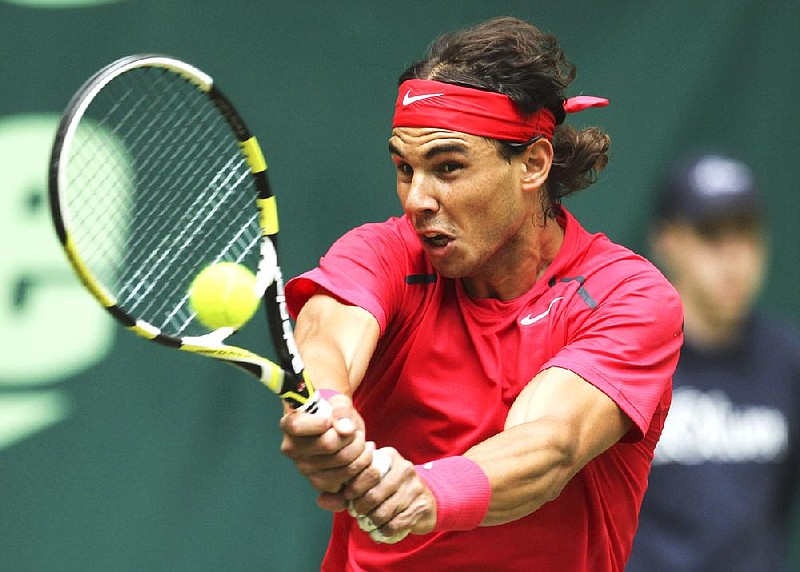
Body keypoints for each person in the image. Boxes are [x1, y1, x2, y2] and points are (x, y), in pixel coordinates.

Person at [278, 17, 684, 571]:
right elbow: (328, 334)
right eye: (404, 167)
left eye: (448, 167)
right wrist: (327, 406)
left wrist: (427, 492)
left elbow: (549, 445)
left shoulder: (626, 296)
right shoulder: (384, 253)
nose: (416, 199)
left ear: (533, 164)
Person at [627, 151, 800, 572]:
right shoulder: (626, 362)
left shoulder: (788, 363)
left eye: (745, 233)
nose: (733, 259)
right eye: (710, 235)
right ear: (666, 241)